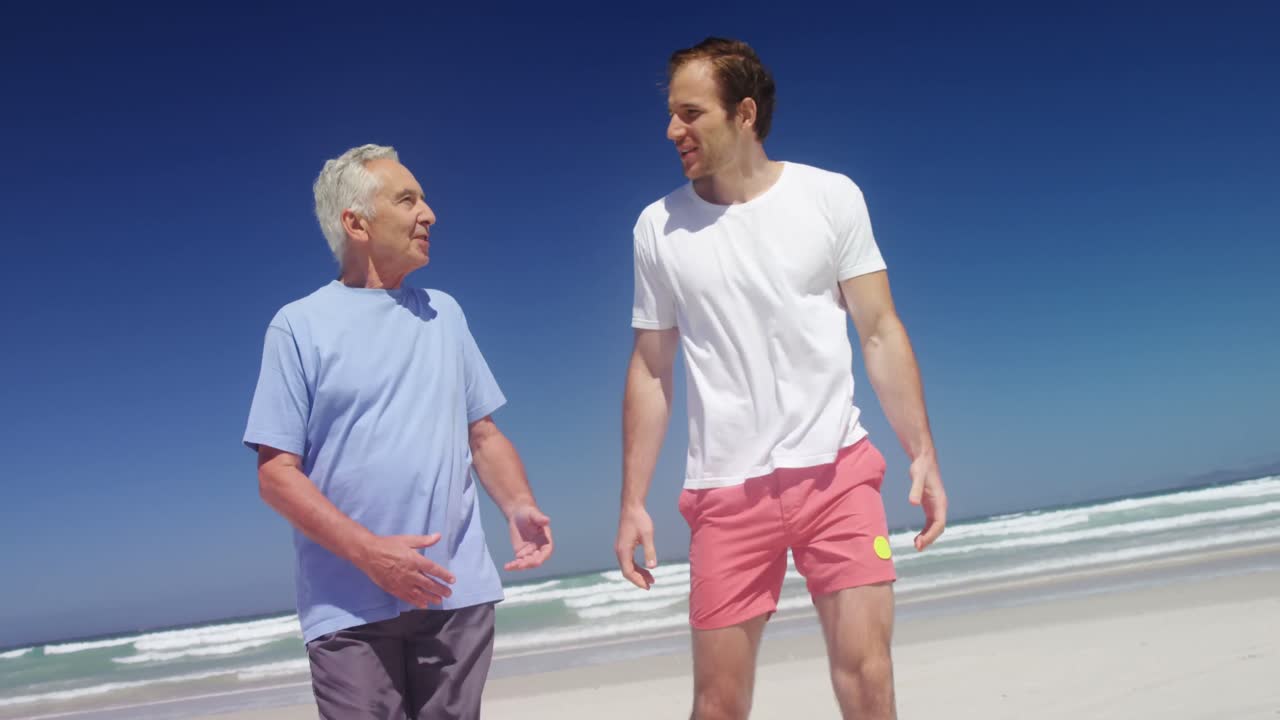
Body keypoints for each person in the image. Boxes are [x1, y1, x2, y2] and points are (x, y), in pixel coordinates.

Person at [615, 38, 947, 720]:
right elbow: (652, 367)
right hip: (724, 493)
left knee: (868, 681)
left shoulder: (830, 196)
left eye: (689, 113)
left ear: (743, 113)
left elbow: (879, 328)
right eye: (672, 114)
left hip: (837, 473)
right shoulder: (658, 227)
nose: (672, 130)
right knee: (718, 704)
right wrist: (633, 500)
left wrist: (922, 451)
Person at [243, 144, 553, 720]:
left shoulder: (445, 313)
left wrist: (518, 505)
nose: (428, 213)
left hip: (456, 594)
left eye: (424, 199)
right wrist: (371, 555)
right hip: (349, 606)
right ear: (355, 222)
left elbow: (482, 434)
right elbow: (276, 476)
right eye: (407, 199)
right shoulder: (298, 325)